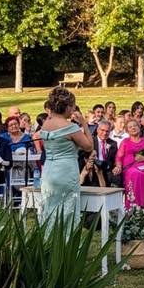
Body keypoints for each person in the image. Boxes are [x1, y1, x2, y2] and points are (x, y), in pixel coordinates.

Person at [36, 87, 92, 231]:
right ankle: (65, 248)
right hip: (66, 171)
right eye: (72, 107)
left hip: (49, 171)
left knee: (50, 210)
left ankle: (48, 244)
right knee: (67, 212)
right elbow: (89, 146)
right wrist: (84, 124)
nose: (73, 110)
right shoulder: (70, 127)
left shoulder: (46, 124)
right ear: (67, 107)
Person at [115, 119, 144, 210]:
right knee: (137, 174)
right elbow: (119, 157)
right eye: (130, 127)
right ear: (127, 130)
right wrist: (118, 166)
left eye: (135, 125)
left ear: (139, 128)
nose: (133, 128)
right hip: (130, 166)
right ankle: (136, 204)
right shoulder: (125, 142)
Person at [82, 120, 119, 187]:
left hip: (108, 170)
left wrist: (117, 166)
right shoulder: (91, 142)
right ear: (97, 130)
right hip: (94, 169)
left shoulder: (113, 143)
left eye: (107, 131)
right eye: (102, 130)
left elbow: (115, 159)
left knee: (117, 178)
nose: (105, 133)